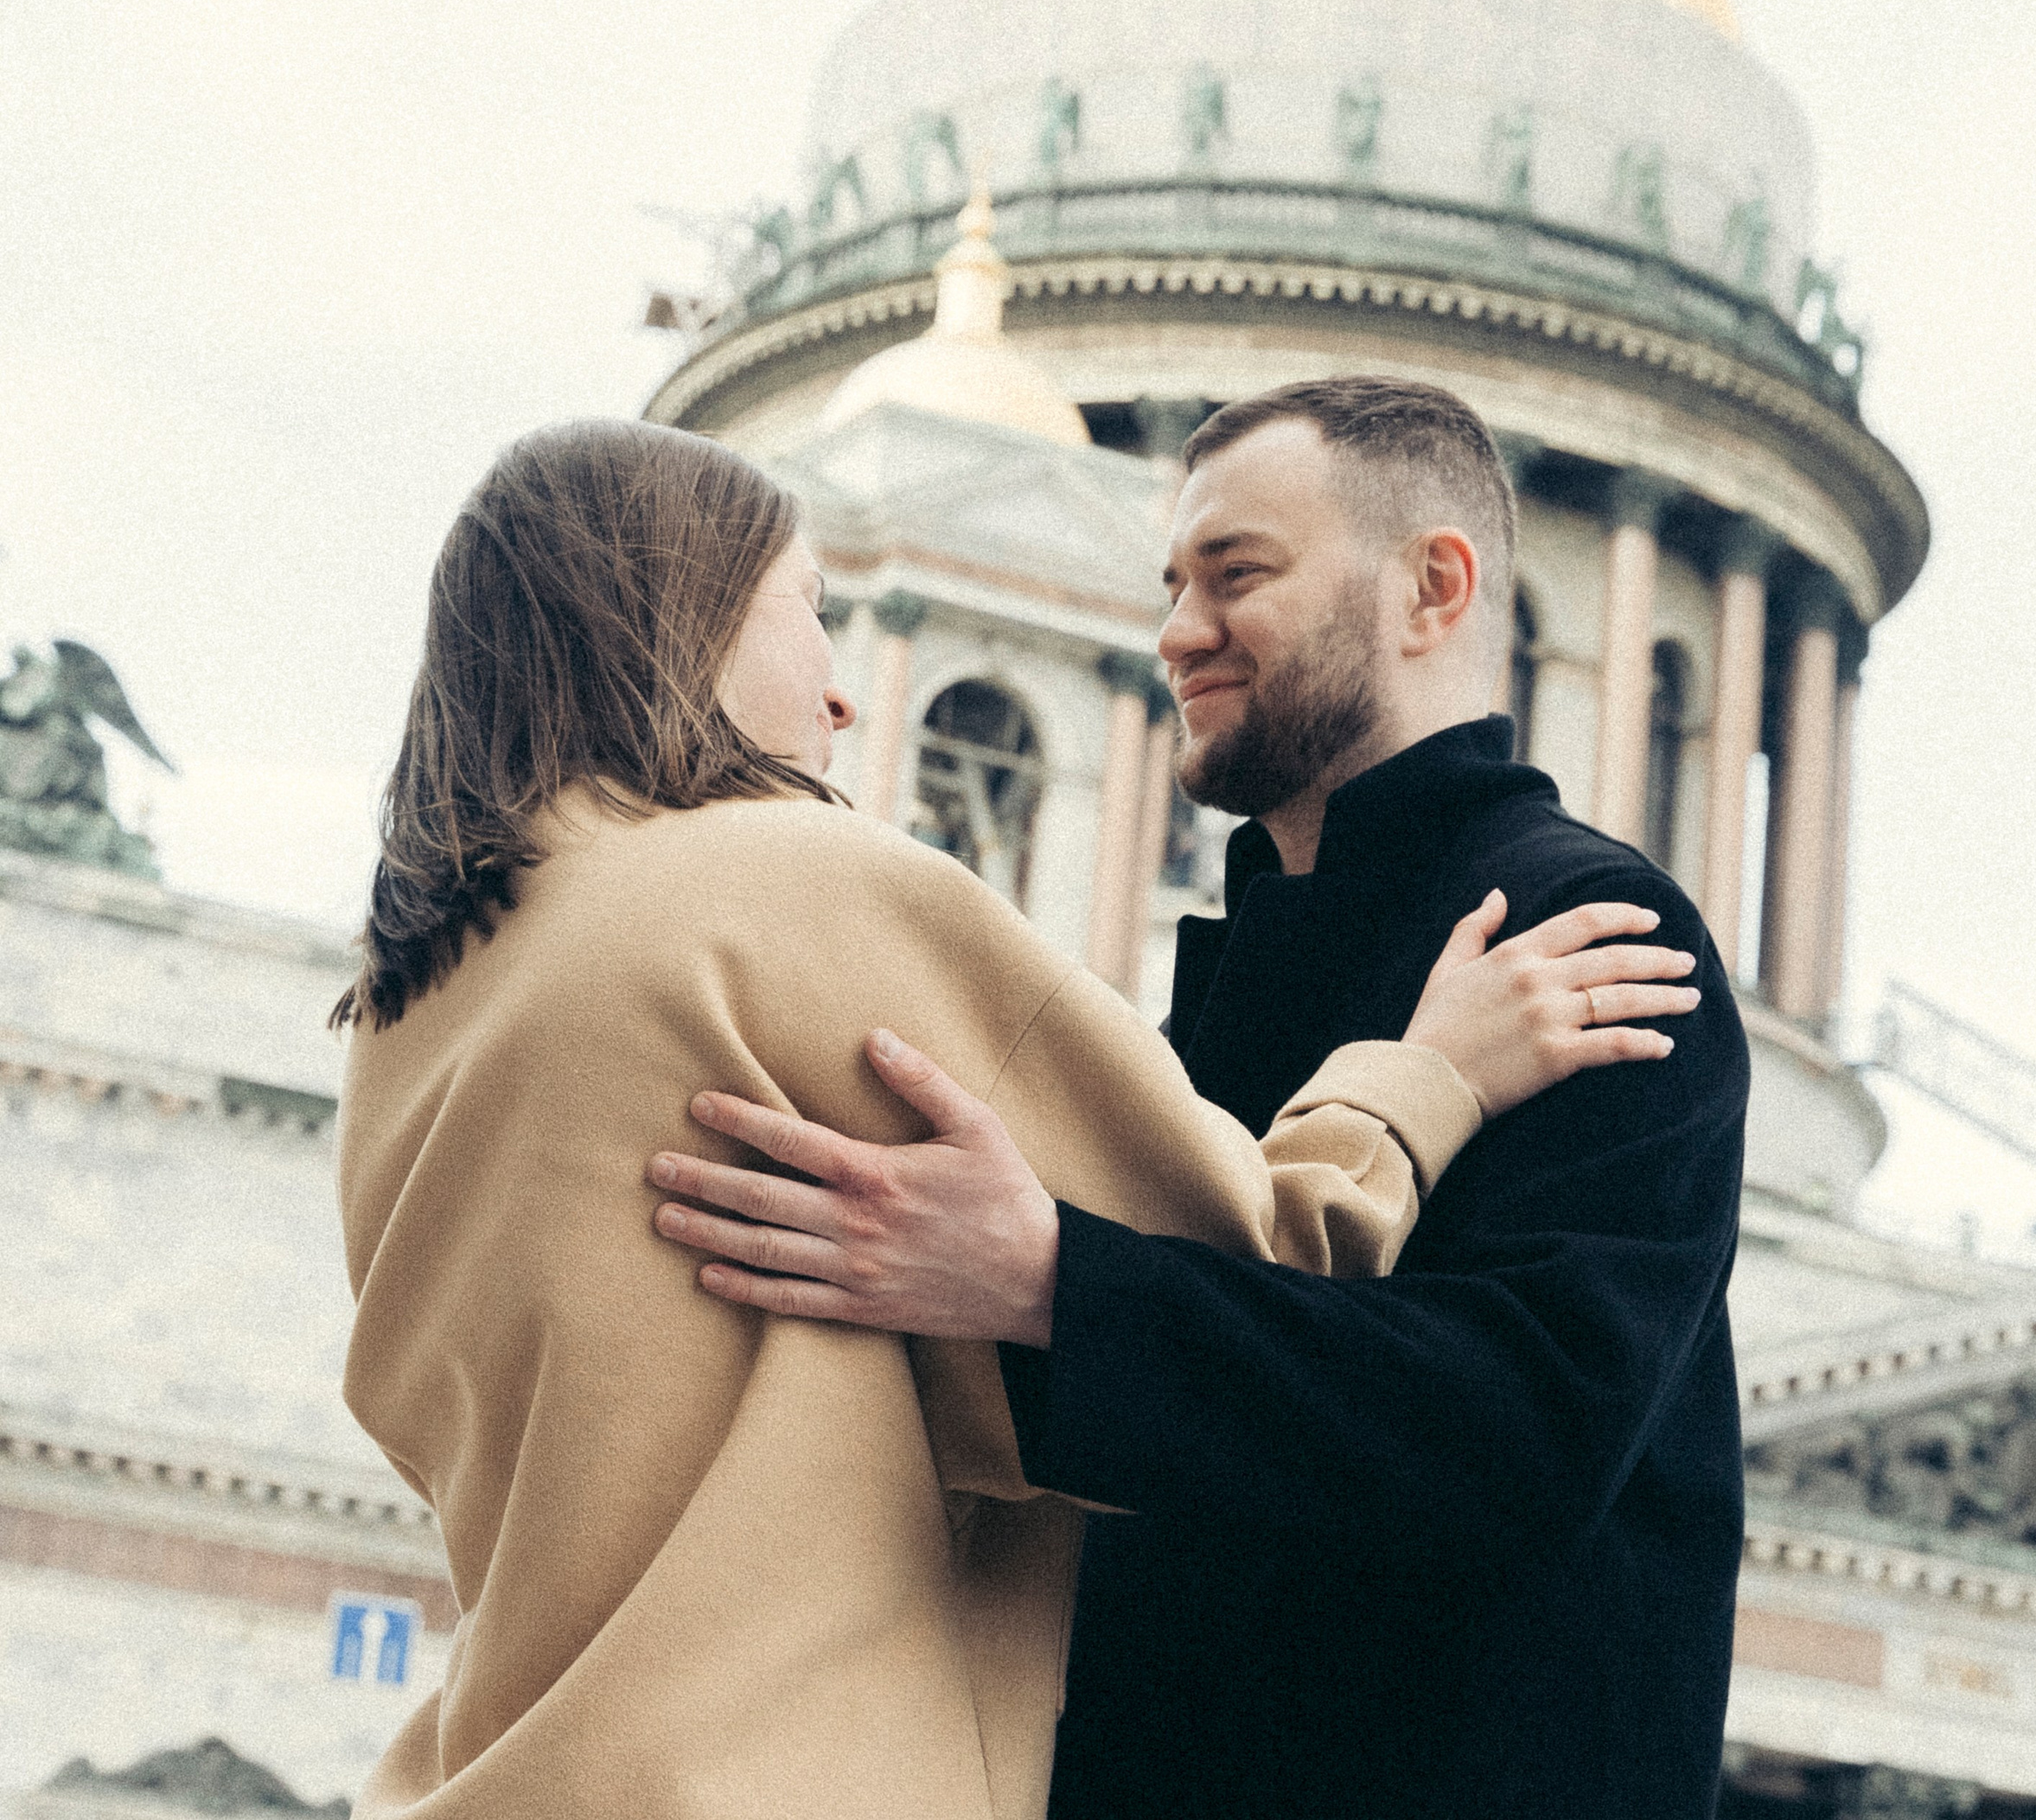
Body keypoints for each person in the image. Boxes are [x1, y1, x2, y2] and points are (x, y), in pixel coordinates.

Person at [332, 417, 1701, 1820]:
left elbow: (835, 1402)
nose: (847, 701)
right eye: (811, 611)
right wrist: (1429, 1075)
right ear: (681, 614)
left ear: (1439, 588)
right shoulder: (792, 890)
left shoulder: (404, 1012)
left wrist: (1023, 1295)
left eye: (1233, 575)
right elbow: (1265, 1249)